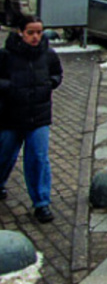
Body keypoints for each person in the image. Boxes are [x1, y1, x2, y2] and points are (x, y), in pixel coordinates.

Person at [0, 15, 62, 224]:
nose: (36, 37)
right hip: (11, 116)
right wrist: (9, 87)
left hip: (39, 116)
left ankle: (41, 203)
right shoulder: (6, 55)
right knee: (5, 154)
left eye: (39, 32)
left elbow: (57, 74)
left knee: (38, 157)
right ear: (20, 32)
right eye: (30, 32)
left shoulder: (48, 54)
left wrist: (49, 83)